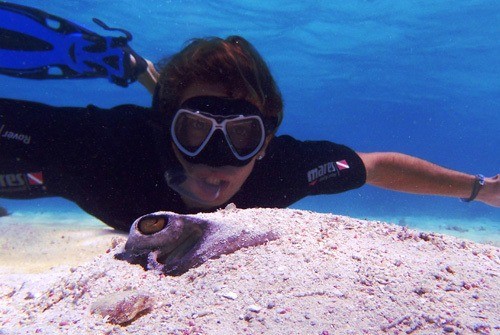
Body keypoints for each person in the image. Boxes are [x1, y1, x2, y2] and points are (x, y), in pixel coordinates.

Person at [0, 7, 498, 231]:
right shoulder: (105, 150)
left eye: (241, 136)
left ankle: (149, 76)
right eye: (194, 130)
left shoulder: (282, 168)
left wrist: (483, 189)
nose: (216, 162)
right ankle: (133, 68)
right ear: (166, 130)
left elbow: (378, 165)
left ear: (265, 143)